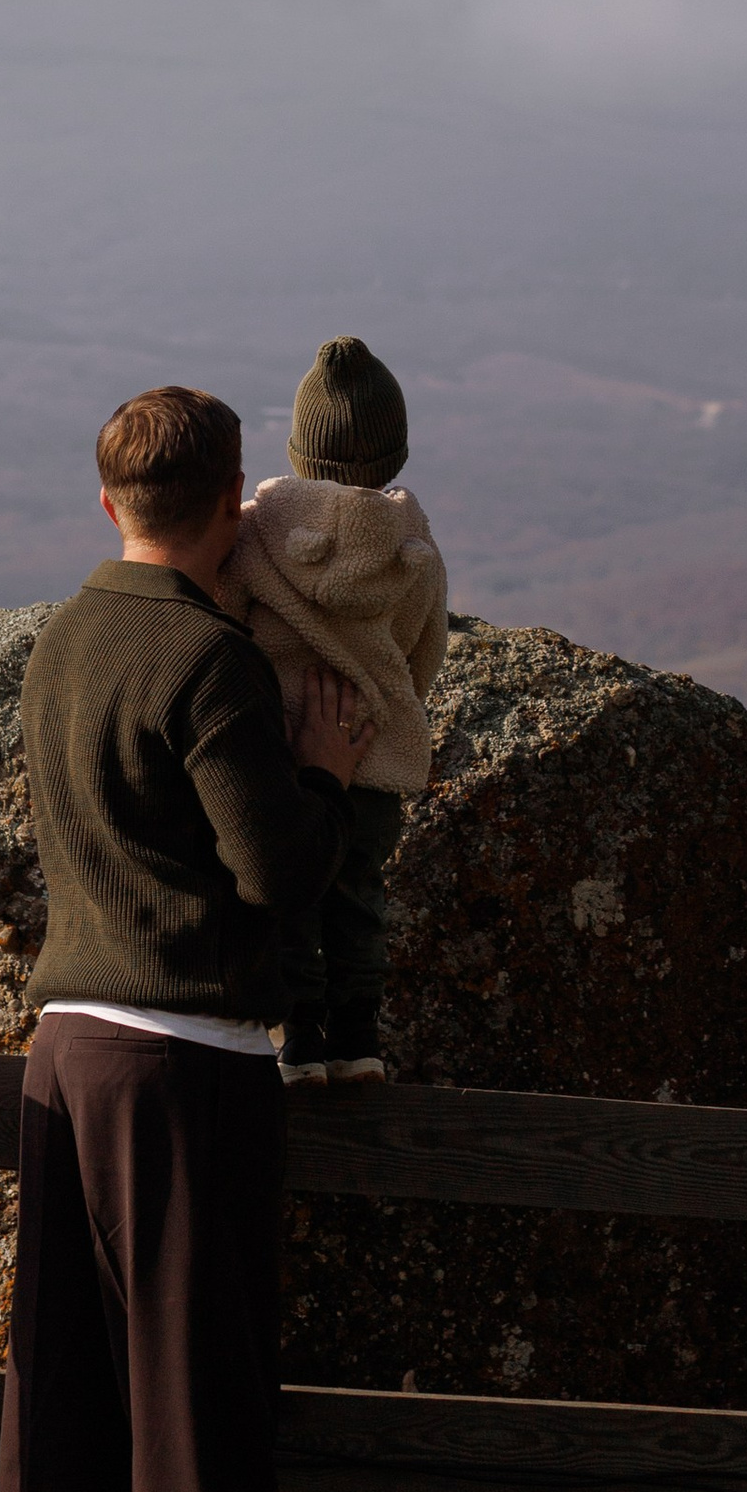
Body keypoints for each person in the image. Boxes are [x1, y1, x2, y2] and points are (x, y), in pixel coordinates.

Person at [0, 381, 387, 1492]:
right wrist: (329, 777)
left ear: (108, 505)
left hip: (63, 1054)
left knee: (62, 1414)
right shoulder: (211, 663)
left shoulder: (63, 642)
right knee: (196, 1430)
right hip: (183, 1062)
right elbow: (277, 874)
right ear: (232, 509)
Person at [223, 335, 447, 1087]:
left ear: (298, 447)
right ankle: (360, 1039)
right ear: (398, 454)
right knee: (359, 902)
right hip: (375, 754)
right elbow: (424, 650)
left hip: (285, 750)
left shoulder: (258, 531)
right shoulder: (413, 546)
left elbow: (225, 617)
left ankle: (301, 1041)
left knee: (291, 897)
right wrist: (391, 710)